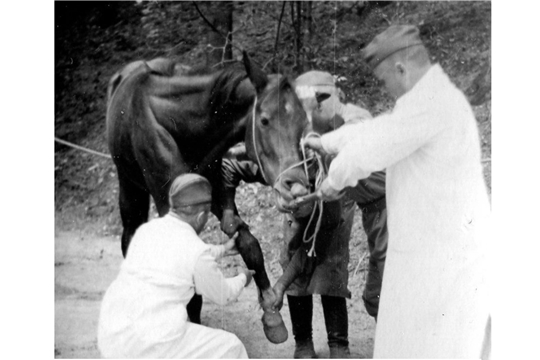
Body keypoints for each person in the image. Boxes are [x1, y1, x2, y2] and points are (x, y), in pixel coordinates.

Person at [305, 25, 491, 359]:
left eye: (382, 80)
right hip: (433, 246)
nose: (384, 87)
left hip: (443, 252)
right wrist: (327, 142)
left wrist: (332, 183)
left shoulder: (431, 105)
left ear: (401, 69)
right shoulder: (427, 98)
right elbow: (381, 128)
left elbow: (371, 147)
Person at [221, 70, 389, 359]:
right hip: (340, 206)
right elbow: (248, 164)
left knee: (336, 266)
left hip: (366, 204)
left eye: (321, 100)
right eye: (309, 103)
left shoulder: (352, 118)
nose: (315, 108)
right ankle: (304, 344)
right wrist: (271, 190)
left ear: (340, 96)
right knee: (298, 255)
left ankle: (342, 344)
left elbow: (353, 138)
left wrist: (322, 171)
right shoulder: (298, 136)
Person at [97, 173, 254, 359]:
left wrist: (223, 249)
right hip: (148, 342)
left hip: (111, 334)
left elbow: (185, 252)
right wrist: (243, 277)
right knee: (231, 346)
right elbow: (223, 295)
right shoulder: (196, 252)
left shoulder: (148, 230)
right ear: (201, 216)